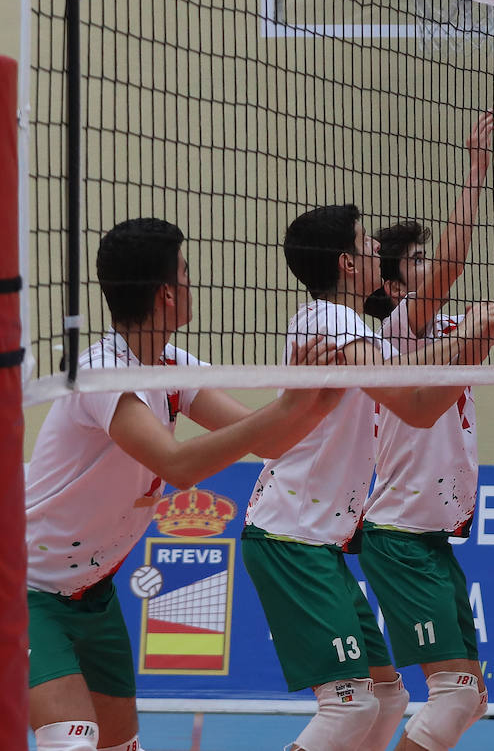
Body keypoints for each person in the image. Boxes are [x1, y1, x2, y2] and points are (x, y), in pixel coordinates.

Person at [25, 217, 341, 751]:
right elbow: (177, 465)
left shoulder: (172, 366)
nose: (193, 284)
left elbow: (264, 440)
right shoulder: (102, 373)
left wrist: (320, 399)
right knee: (71, 743)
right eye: (187, 273)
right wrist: (290, 406)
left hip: (92, 596)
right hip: (26, 590)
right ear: (167, 294)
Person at [241, 203, 494, 751]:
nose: (374, 250)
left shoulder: (350, 329)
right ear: (345, 263)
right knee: (349, 707)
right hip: (290, 534)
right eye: (366, 243)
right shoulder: (333, 320)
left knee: (386, 699)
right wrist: (470, 336)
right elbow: (410, 392)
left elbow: (417, 406)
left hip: (315, 538)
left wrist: (470, 348)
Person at [360, 119, 494, 751]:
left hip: (431, 538)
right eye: (416, 262)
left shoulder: (451, 329)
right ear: (391, 284)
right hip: (398, 535)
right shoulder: (390, 336)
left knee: (471, 700)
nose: (431, 267)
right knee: (454, 695)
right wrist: (474, 173)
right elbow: (455, 264)